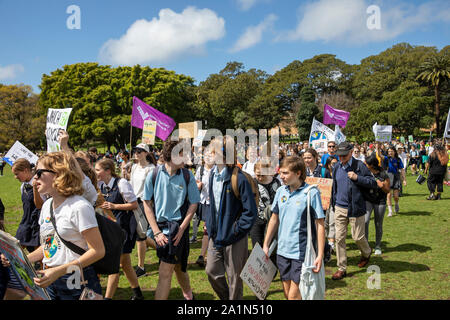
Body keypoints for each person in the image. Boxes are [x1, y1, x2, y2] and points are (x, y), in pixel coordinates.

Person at [2, 151, 105, 300]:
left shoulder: (79, 206)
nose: (34, 177)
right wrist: (20, 259)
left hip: (76, 280)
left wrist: (58, 271)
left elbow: (98, 251)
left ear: (58, 173)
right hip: (48, 279)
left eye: (39, 172)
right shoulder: (47, 205)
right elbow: (49, 246)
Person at [142, 140, 200, 300]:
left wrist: (182, 229)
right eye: (184, 154)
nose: (188, 158)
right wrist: (156, 231)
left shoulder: (188, 175)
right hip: (160, 229)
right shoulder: (153, 175)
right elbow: (146, 203)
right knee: (179, 268)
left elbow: (194, 203)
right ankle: (189, 296)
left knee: (164, 272)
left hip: (177, 229)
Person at [263, 156, 325, 300]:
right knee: (287, 294)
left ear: (298, 173)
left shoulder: (311, 193)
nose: (281, 176)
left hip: (301, 253)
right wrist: (266, 244)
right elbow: (274, 219)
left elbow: (320, 225)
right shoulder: (281, 192)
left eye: (285, 173)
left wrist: (320, 254)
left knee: (293, 296)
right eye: (281, 172)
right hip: (282, 251)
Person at [205, 136, 258, 300]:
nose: (207, 153)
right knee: (211, 271)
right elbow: (212, 205)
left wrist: (236, 229)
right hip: (216, 235)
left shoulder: (239, 178)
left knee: (234, 277)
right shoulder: (212, 175)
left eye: (211, 150)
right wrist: (210, 224)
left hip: (234, 237)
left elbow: (251, 212)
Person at [95, 158, 144, 300]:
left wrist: (114, 206)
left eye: (98, 170)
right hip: (111, 230)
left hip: (124, 229)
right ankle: (138, 294)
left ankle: (107, 298)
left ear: (108, 171)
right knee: (126, 264)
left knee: (114, 265)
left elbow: (134, 204)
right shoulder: (101, 185)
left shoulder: (122, 183)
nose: (96, 172)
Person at [330, 141, 376, 281]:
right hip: (339, 208)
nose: (342, 158)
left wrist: (357, 178)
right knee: (339, 238)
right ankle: (341, 268)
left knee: (357, 237)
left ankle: (366, 252)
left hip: (356, 208)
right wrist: (333, 203)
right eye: (340, 155)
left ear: (351, 152)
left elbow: (372, 182)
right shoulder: (336, 166)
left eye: (344, 155)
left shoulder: (359, 166)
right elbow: (335, 187)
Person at [129, 143, 156, 278]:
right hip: (132, 203)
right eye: (135, 151)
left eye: (140, 151)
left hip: (143, 203)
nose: (136, 153)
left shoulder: (151, 169)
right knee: (140, 235)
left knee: (140, 236)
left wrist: (149, 202)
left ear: (146, 153)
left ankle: (141, 267)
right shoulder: (133, 167)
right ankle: (160, 247)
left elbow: (152, 188)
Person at [250, 160, 281, 266]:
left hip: (272, 219)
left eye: (262, 175)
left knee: (271, 245)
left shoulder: (276, 183)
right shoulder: (252, 183)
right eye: (257, 174)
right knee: (257, 244)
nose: (260, 178)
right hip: (257, 218)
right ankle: (259, 270)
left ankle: (271, 269)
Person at [11, 159, 43, 253]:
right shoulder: (23, 186)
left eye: (17, 174)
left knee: (39, 255)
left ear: (25, 170)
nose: (15, 177)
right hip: (26, 222)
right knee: (15, 250)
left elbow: (41, 205)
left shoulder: (39, 183)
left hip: (37, 224)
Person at [192, 145, 215, 267]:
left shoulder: (218, 170)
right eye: (206, 155)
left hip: (214, 204)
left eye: (211, 155)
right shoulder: (200, 170)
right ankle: (209, 254)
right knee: (207, 228)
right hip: (202, 202)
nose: (208, 157)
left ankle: (203, 255)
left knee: (207, 228)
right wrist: (198, 185)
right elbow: (195, 183)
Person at [364, 153, 390, 256]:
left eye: (366, 163)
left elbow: (388, 190)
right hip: (368, 200)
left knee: (378, 224)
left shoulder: (383, 174)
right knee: (365, 221)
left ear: (372, 164)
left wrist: (382, 186)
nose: (365, 164)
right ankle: (365, 246)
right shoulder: (365, 172)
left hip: (380, 201)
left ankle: (378, 245)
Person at [384, 147, 406, 217]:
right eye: (389, 151)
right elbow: (379, 155)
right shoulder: (386, 159)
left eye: (391, 151)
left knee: (396, 196)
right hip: (388, 177)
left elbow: (402, 170)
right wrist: (378, 147)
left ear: (394, 152)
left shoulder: (398, 160)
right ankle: (390, 211)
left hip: (396, 177)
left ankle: (396, 203)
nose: (390, 153)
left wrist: (404, 179)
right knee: (389, 194)